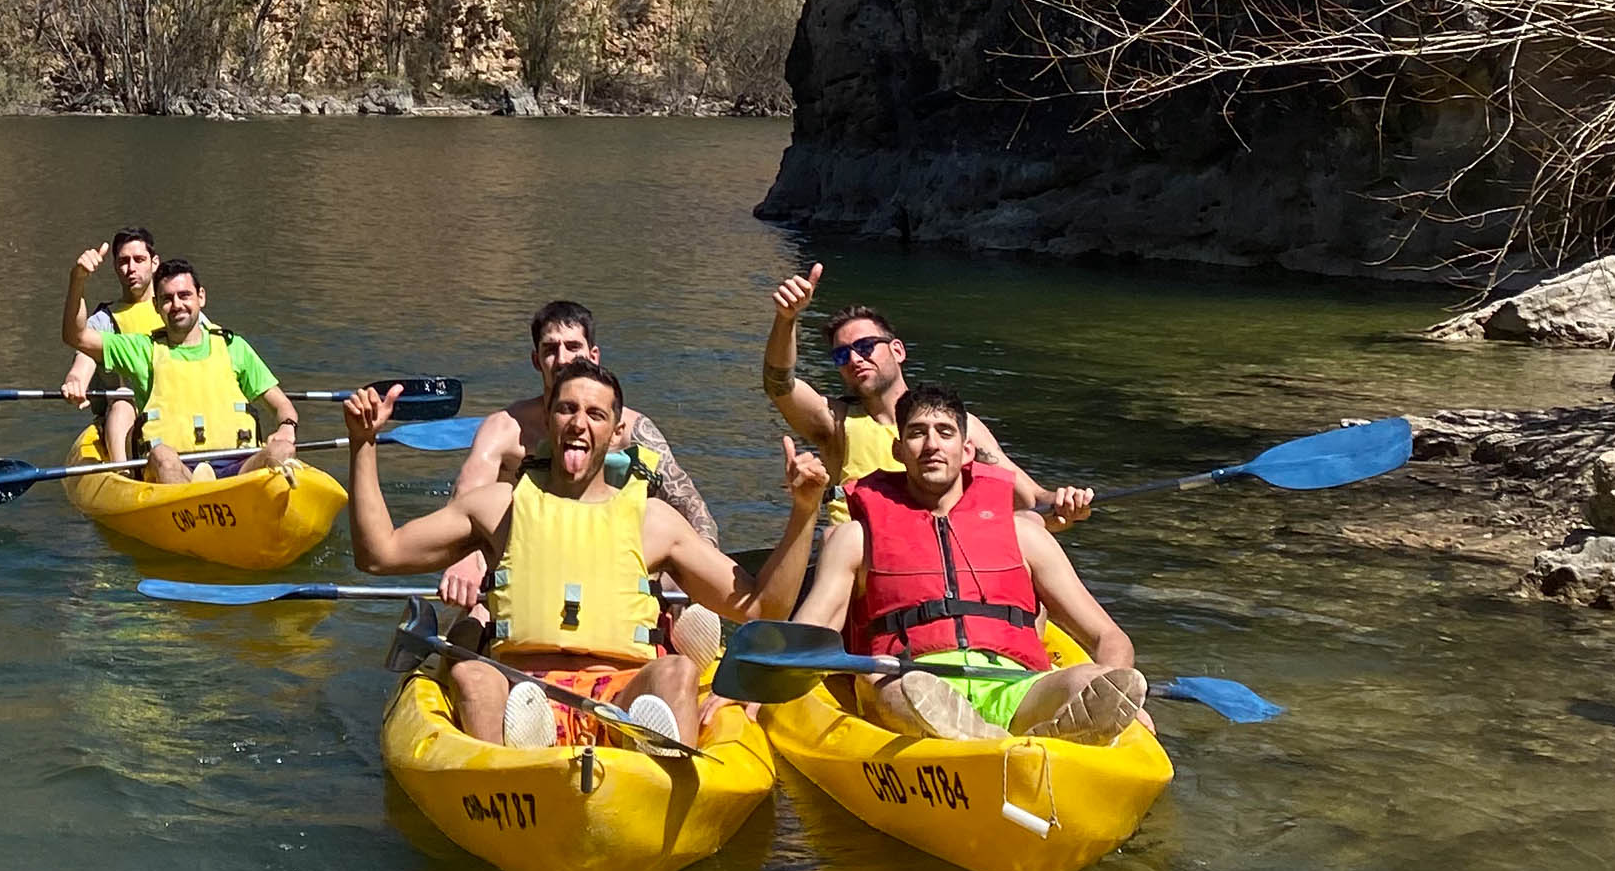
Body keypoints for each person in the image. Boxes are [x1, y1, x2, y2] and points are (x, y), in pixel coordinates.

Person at [342, 364, 748, 748]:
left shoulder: (655, 521)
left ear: (618, 430)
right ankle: (515, 763)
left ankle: (639, 743)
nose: (578, 423)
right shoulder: (497, 506)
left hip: (620, 688)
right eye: (566, 410)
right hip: (518, 682)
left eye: (595, 414)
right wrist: (363, 444)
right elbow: (380, 554)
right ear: (548, 418)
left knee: (677, 671)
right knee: (473, 675)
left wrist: (803, 512)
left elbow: (759, 604)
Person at [754, 379, 1153, 743]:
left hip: (1015, 685)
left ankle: (1011, 741)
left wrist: (1118, 687)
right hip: (909, 678)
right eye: (916, 433)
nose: (931, 445)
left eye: (944, 433)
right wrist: (753, 692)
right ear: (898, 450)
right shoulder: (857, 536)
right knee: (905, 693)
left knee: (1098, 681)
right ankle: (1017, 747)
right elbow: (813, 629)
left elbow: (1109, 637)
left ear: (966, 451)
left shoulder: (1025, 533)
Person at [763, 263, 1090, 525]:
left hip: (937, 568)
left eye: (865, 347)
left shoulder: (959, 426)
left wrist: (1065, 501)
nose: (854, 359)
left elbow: (1030, 498)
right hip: (863, 573)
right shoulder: (834, 423)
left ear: (898, 350)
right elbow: (780, 383)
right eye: (841, 355)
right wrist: (786, 319)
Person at [442, 301, 720, 540]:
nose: (562, 359)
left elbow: (689, 504)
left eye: (573, 346)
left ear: (593, 356)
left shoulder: (632, 430)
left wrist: (703, 558)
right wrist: (469, 559)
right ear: (536, 360)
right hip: (524, 552)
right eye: (550, 349)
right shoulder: (505, 429)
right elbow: (463, 502)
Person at [62, 244, 296, 482]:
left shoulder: (233, 346)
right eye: (167, 299)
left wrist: (287, 426)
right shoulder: (142, 350)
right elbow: (76, 335)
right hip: (175, 472)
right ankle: (195, 500)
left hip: (239, 466)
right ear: (156, 306)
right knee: (163, 456)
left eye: (184, 295)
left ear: (200, 297)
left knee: (283, 450)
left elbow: (282, 405)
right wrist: (78, 280)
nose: (177, 305)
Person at [60, 226, 169, 412]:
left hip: (172, 409)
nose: (131, 268)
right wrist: (74, 382)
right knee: (121, 403)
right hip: (126, 415)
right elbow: (82, 362)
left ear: (155, 262)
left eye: (139, 260)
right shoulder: (103, 321)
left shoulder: (175, 309)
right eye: (124, 262)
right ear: (116, 267)